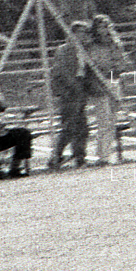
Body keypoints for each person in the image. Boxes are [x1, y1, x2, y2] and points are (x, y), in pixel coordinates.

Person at [84, 13, 129, 166]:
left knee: (112, 119)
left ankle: (107, 153)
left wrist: (114, 70)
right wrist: (100, 74)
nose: (104, 29)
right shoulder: (91, 46)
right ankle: (102, 156)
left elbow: (121, 63)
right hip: (99, 83)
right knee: (104, 120)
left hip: (113, 80)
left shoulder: (115, 43)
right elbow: (91, 65)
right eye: (100, 27)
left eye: (106, 26)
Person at [47, 20, 91, 169]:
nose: (83, 35)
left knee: (82, 126)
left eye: (85, 32)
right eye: (80, 32)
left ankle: (80, 157)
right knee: (69, 126)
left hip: (81, 88)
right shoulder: (64, 50)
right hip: (69, 91)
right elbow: (60, 71)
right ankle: (56, 156)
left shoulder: (84, 49)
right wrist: (72, 86)